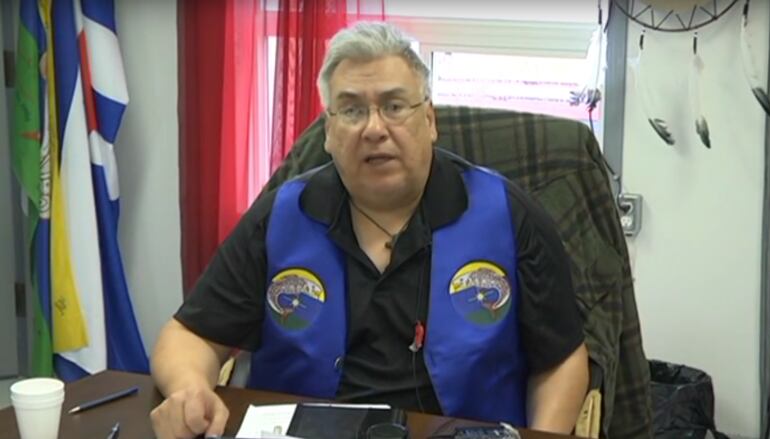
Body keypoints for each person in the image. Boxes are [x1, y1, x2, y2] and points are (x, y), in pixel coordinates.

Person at [149, 21, 589, 439]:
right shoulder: (281, 217)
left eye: (395, 106)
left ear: (430, 121)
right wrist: (189, 387)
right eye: (352, 110)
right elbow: (190, 335)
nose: (375, 128)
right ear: (328, 131)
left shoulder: (507, 214)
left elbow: (561, 359)